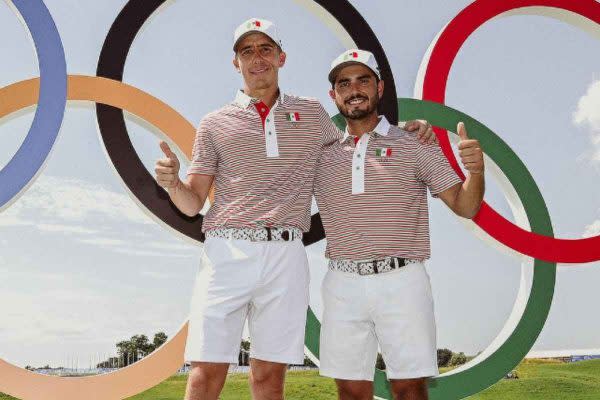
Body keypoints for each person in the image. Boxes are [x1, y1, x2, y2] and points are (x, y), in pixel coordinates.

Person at [154, 18, 434, 400]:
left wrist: (409, 131)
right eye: (246, 51)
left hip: (286, 254)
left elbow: (358, 145)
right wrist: (173, 184)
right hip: (227, 251)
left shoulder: (313, 114)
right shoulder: (213, 123)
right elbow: (193, 202)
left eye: (265, 49)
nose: (257, 59)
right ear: (235, 62)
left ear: (281, 57)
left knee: (269, 376)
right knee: (205, 370)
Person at [314, 49, 485, 400]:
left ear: (379, 88)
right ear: (334, 96)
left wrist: (476, 171)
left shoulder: (414, 143)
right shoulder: (322, 152)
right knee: (349, 390)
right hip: (342, 281)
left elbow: (466, 206)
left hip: (402, 279)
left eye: (363, 80)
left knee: (409, 388)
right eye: (343, 83)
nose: (354, 89)